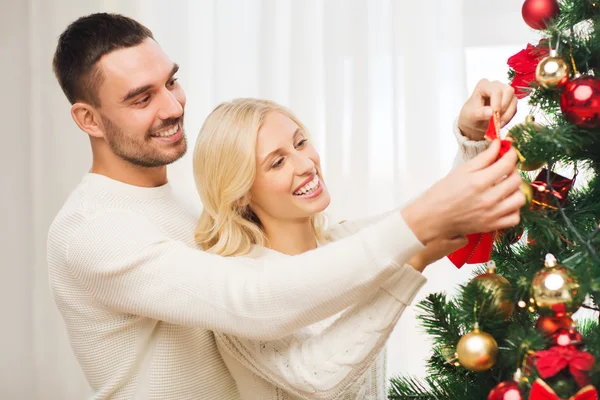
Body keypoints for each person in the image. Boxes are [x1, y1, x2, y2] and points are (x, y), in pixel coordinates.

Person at [47, 12, 524, 400]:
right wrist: (418, 233)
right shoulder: (95, 230)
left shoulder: (181, 210)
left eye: (171, 82)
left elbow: (346, 246)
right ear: (88, 118)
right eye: (141, 98)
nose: (172, 107)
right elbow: (255, 302)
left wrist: (473, 141)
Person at [192, 97, 485, 399]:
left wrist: (472, 135)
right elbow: (318, 378)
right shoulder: (236, 291)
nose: (306, 164)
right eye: (277, 162)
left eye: (301, 143)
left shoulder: (346, 244)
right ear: (239, 192)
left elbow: (434, 209)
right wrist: (413, 263)